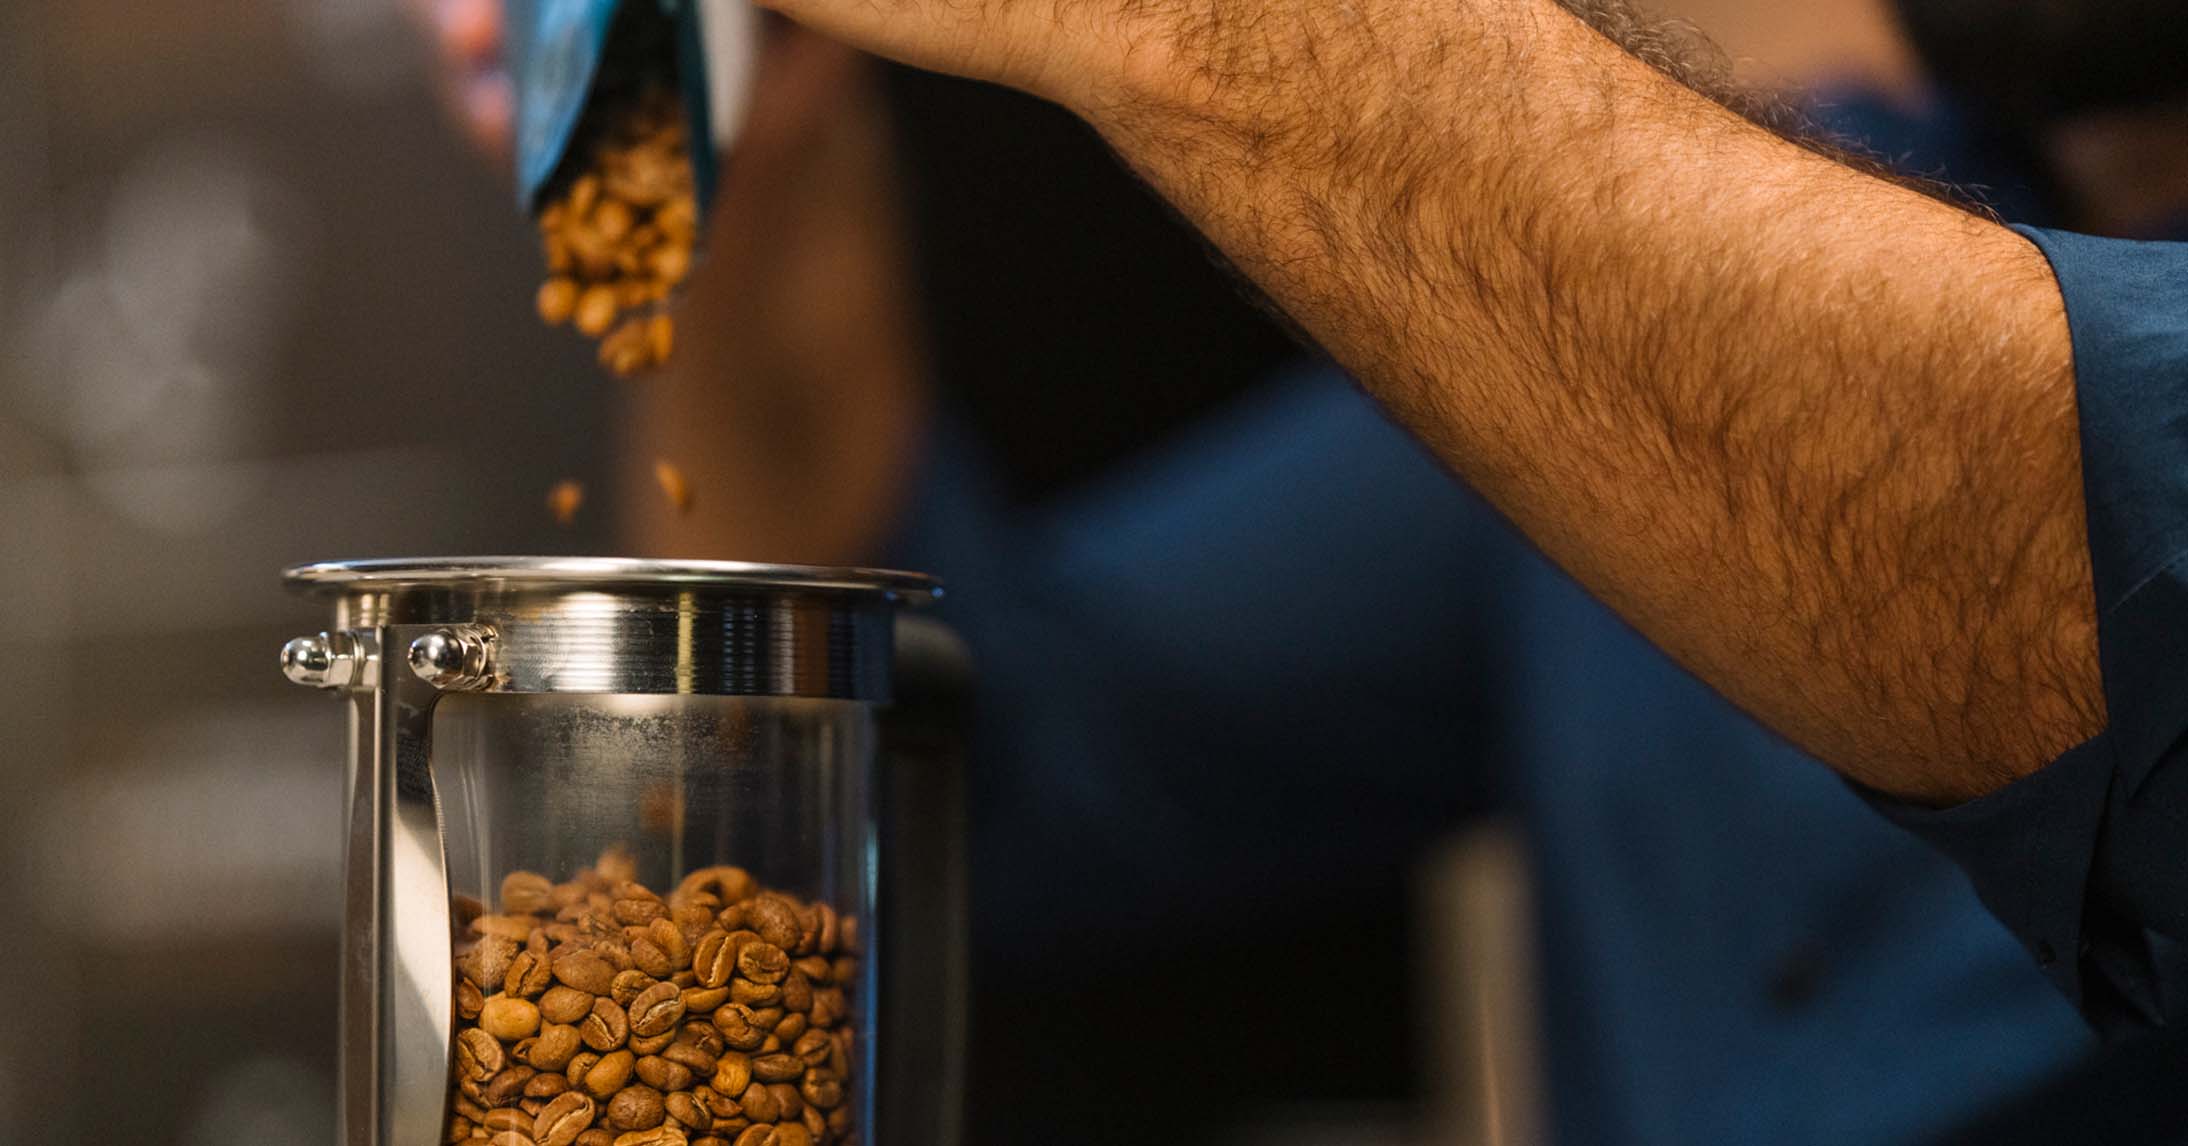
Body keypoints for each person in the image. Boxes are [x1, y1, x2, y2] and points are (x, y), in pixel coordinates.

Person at [410, 0, 2183, 1140]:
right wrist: (763, 163)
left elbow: (2072, 543)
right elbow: (947, 763)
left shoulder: (1771, 344)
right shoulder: (1856, 222)